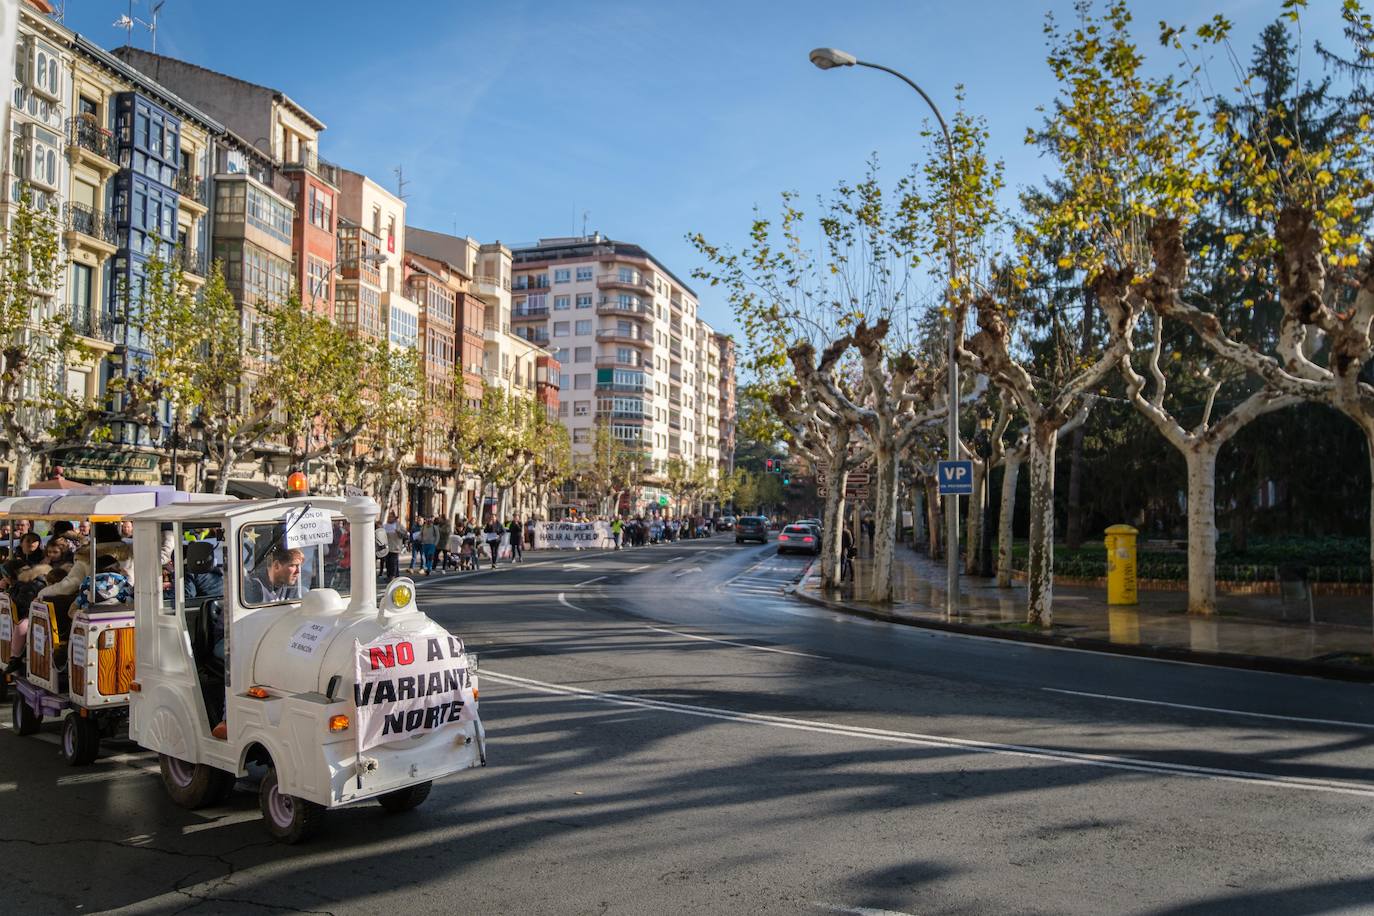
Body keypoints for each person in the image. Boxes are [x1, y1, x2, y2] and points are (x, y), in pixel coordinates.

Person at [383, 511, 403, 582]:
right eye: (388, 517)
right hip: (387, 547)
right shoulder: (385, 525)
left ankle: (393, 576)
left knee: (393, 562)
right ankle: (390, 576)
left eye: (391, 517)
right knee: (388, 562)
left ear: (394, 518)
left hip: (395, 547)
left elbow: (404, 534)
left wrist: (398, 531)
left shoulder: (398, 525)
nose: (389, 518)